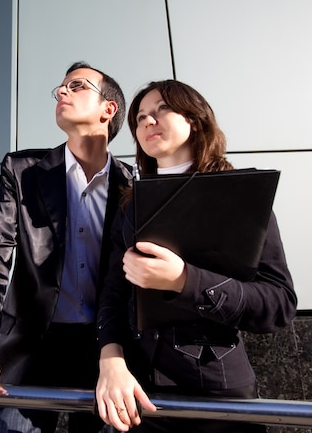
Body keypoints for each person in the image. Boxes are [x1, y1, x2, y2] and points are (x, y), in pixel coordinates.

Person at [95, 80, 297, 432]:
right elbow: (111, 293)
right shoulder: (129, 206)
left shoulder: (241, 195)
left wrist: (184, 280)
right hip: (138, 395)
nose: (147, 121)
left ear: (196, 118)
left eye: (161, 110)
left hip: (217, 397)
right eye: (140, 117)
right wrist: (110, 359)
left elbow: (278, 304)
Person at [0, 61, 132, 433]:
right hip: (32, 348)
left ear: (107, 109)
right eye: (60, 88)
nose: (62, 92)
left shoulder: (132, 184)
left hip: (107, 349)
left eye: (77, 86)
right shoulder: (23, 171)